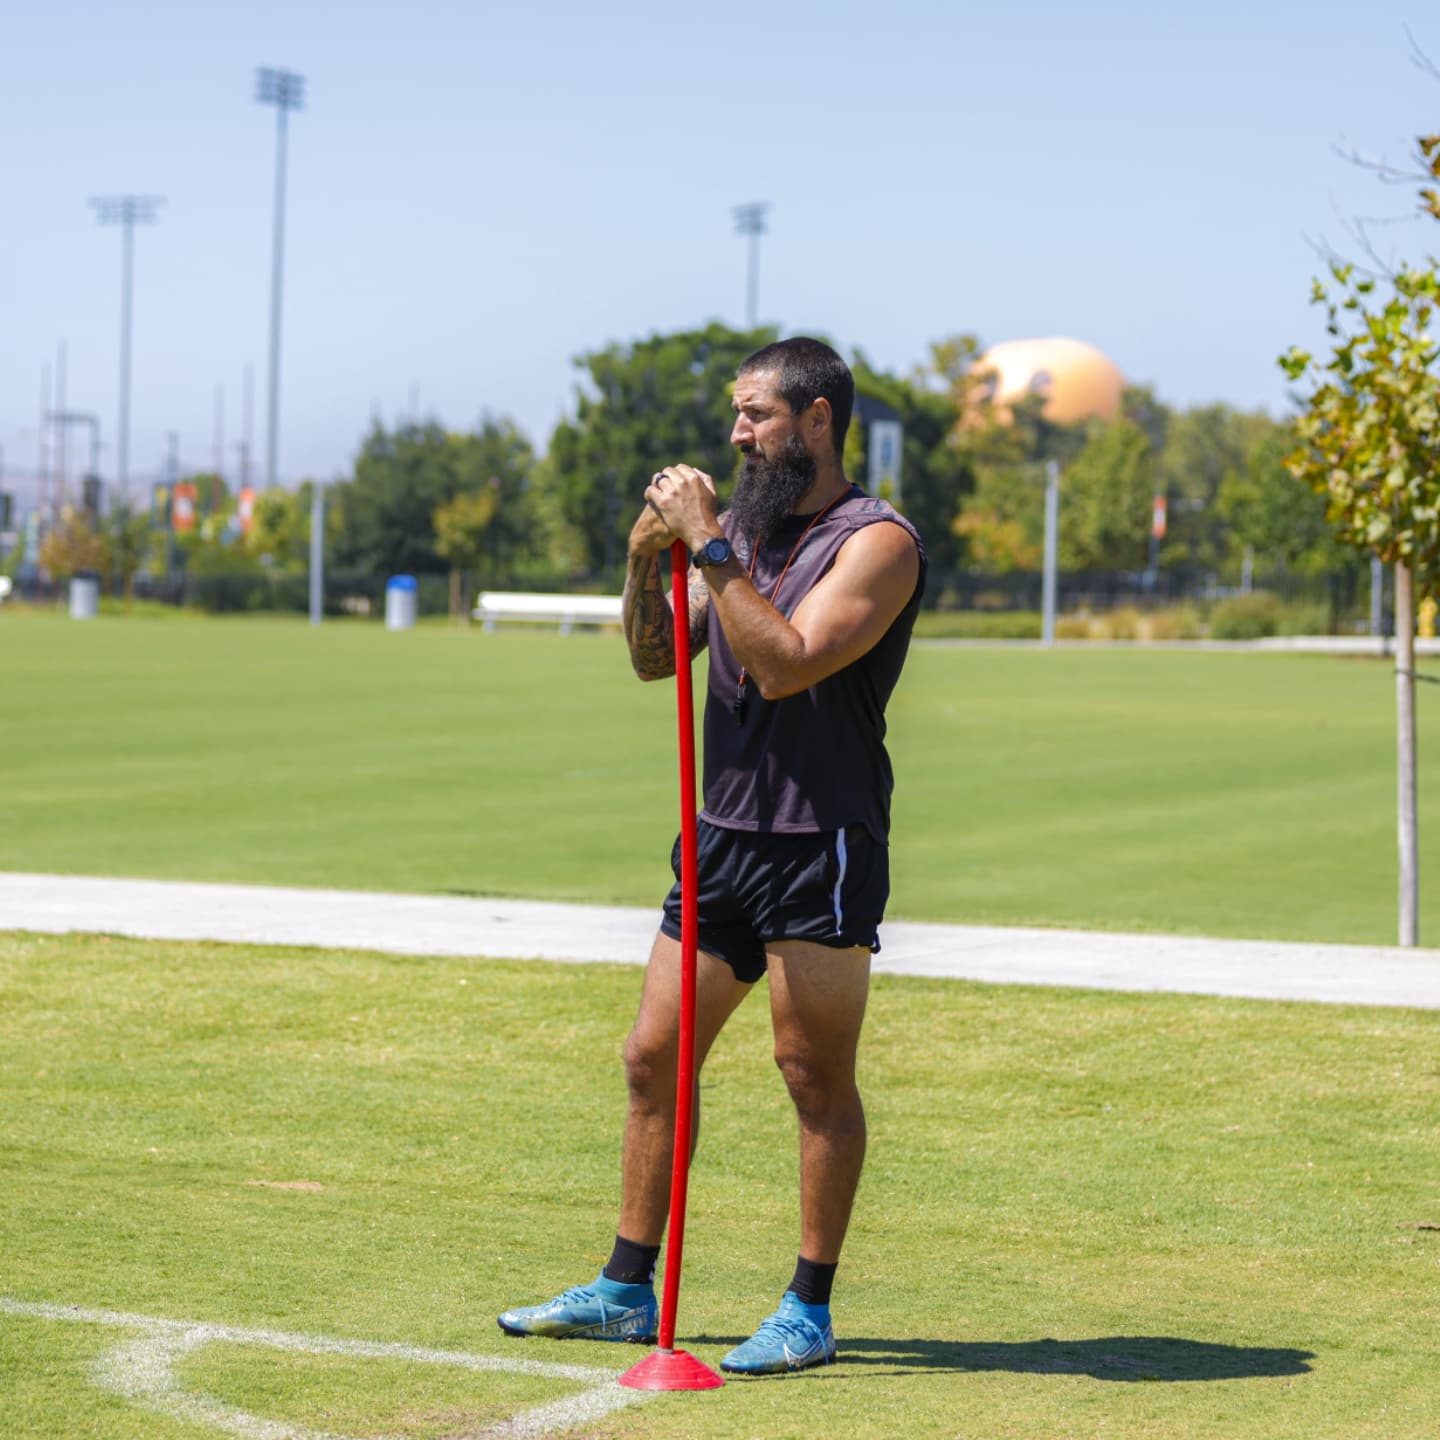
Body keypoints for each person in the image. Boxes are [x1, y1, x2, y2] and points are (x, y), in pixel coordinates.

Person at [498, 337, 925, 1375]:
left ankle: (808, 1310)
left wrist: (710, 546)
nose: (737, 435)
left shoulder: (877, 542)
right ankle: (623, 1289)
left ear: (816, 419)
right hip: (721, 837)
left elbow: (785, 664)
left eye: (757, 416)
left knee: (809, 1075)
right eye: (736, 417)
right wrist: (652, 553)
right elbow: (657, 661)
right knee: (653, 1057)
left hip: (818, 839)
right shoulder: (740, 529)